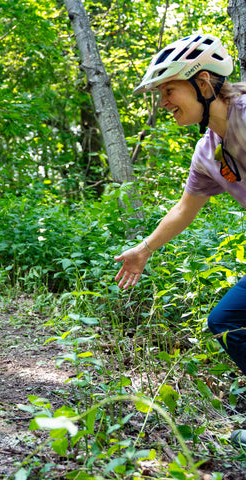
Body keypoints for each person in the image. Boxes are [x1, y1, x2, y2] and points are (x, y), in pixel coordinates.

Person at [114, 33, 246, 446]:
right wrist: (143, 250)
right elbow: (185, 209)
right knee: (225, 322)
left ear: (203, 83)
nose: (164, 102)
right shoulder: (208, 151)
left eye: (169, 90)